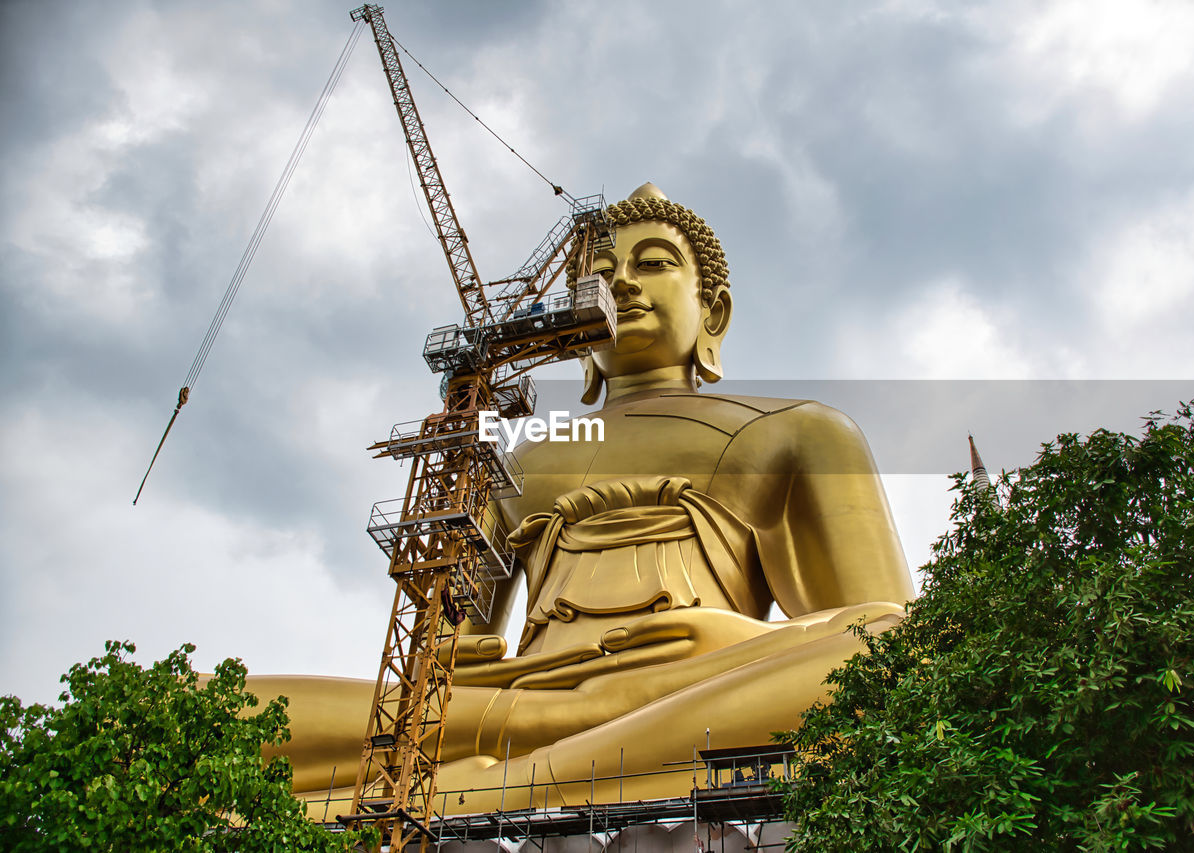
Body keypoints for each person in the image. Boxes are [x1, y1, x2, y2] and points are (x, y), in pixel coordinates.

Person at [267, 183, 913, 813]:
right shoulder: (516, 461)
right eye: (601, 274)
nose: (624, 282)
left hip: (695, 684)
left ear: (713, 312)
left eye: (654, 263)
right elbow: (439, 664)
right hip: (516, 700)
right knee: (218, 707)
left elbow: (876, 630)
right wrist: (468, 667)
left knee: (898, 644)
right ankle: (552, 755)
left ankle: (503, 777)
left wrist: (725, 637)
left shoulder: (796, 430)